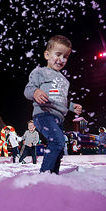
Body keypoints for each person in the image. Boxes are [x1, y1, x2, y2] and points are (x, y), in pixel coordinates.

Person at [24, 35, 82, 174]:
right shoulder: (40, 72)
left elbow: (61, 99)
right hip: (44, 114)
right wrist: (36, 92)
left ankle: (53, 174)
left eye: (65, 56)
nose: (61, 59)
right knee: (57, 141)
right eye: (58, 54)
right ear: (47, 54)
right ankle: (45, 174)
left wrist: (72, 106)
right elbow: (28, 89)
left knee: (60, 145)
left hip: (59, 119)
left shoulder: (65, 81)